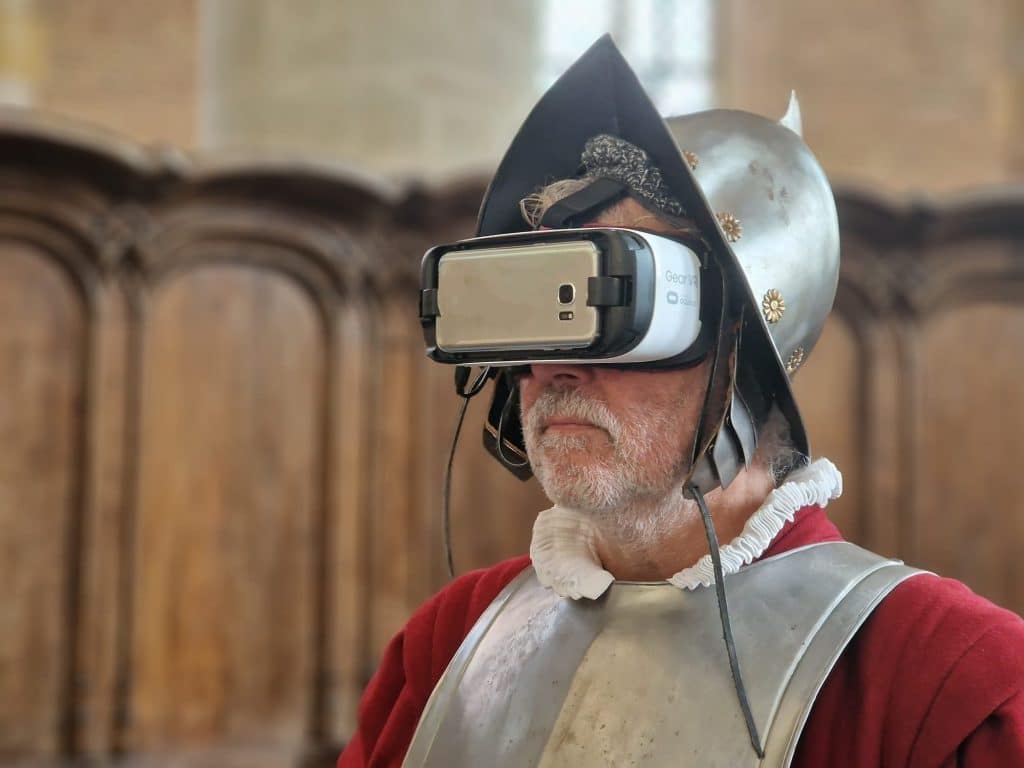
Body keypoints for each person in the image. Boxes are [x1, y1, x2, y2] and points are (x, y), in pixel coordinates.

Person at [338, 36, 1024, 767]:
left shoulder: (944, 680)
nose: (549, 365)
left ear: (741, 352)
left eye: (615, 303)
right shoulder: (448, 642)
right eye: (538, 305)